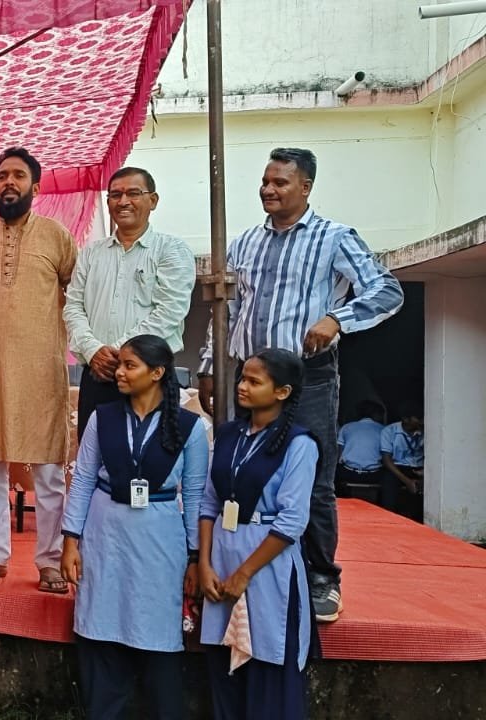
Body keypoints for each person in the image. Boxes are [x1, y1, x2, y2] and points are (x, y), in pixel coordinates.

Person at [198, 148, 404, 623]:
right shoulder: (244, 243)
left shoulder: (335, 237)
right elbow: (226, 310)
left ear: (306, 187)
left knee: (312, 479)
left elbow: (387, 289)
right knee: (237, 471)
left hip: (307, 376)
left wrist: (338, 318)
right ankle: (239, 563)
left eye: (281, 182)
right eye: (265, 181)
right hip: (248, 376)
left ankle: (321, 578)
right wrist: (210, 365)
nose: (268, 189)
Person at [61, 335, 208, 720]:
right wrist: (71, 540)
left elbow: (195, 495)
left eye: (130, 366)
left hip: (160, 538)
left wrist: (196, 557)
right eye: (120, 365)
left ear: (157, 373)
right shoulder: (103, 417)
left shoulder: (189, 427)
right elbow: (83, 479)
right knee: (101, 624)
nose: (119, 373)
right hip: (105, 533)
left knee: (156, 626)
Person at [0, 147, 77, 593]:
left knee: (47, 469)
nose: (9, 182)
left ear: (35, 187)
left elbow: (76, 294)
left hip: (42, 366)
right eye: (2, 175)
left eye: (18, 176)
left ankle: (49, 560)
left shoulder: (57, 237)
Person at [198, 349, 316, 720]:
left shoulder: (299, 443)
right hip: (222, 555)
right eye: (242, 378)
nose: (242, 386)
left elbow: (292, 521)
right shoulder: (228, 433)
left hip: (267, 565)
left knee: (268, 657)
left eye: (254, 381)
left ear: (282, 392)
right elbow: (209, 501)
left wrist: (245, 573)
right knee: (224, 664)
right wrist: (203, 563)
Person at [63, 168, 195, 435]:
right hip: (97, 374)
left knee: (149, 453)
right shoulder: (91, 253)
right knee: (95, 452)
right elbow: (73, 306)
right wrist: (93, 351)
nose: (123, 201)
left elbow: (169, 311)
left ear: (153, 200)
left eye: (133, 193)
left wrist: (117, 353)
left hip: (149, 376)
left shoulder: (171, 250)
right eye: (115, 195)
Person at [379, 405, 423, 519]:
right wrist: (407, 481)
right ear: (405, 419)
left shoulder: (426, 430)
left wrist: (425, 473)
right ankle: (388, 517)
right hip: (397, 468)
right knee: (388, 482)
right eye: (418, 418)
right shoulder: (389, 431)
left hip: (420, 468)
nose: (422, 421)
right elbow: (386, 460)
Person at [334, 401, 386, 498]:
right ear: (375, 414)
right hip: (374, 475)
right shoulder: (384, 430)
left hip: (348, 474)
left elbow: (339, 456)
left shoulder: (346, 427)